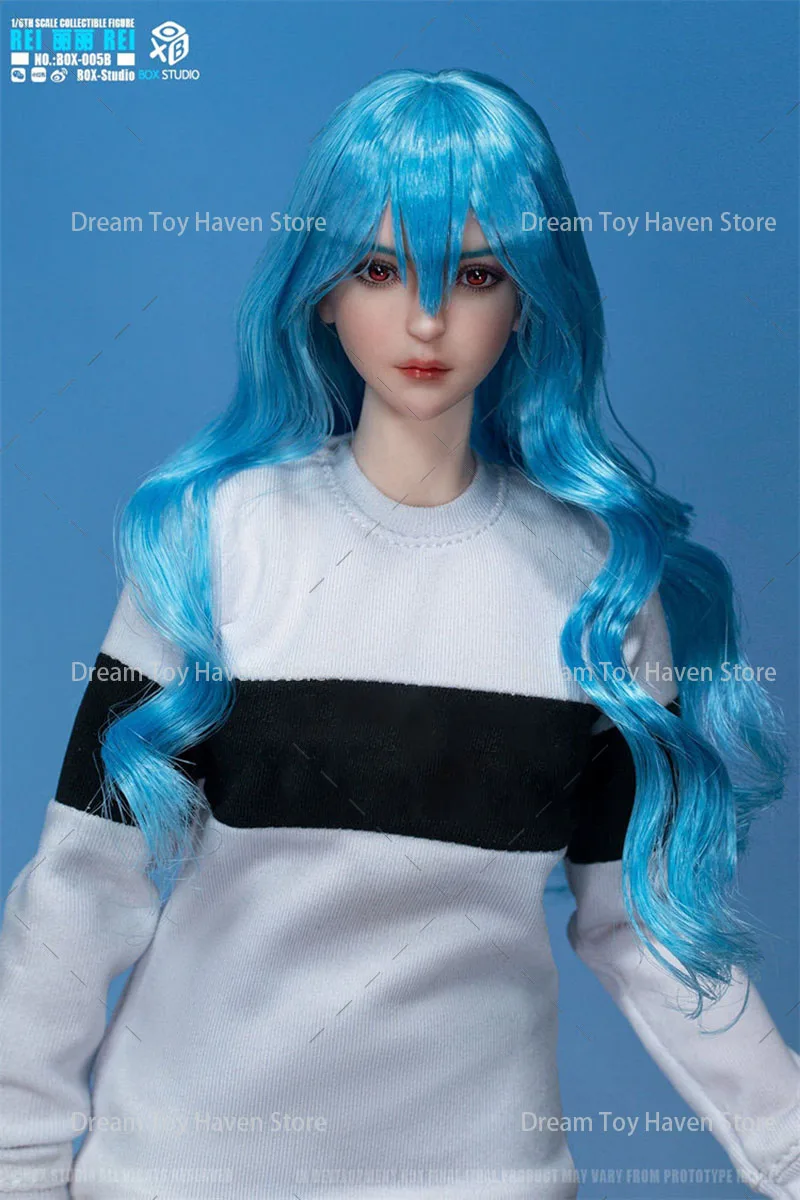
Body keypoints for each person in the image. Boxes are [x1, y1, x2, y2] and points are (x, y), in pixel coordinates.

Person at [1, 67, 798, 1200]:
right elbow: (85, 885)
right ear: (320, 293)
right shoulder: (212, 544)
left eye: (475, 274)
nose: (426, 320)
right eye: (378, 270)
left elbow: (644, 925)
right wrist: (19, 1158)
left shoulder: (599, 587)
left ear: (530, 300)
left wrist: (786, 1140)